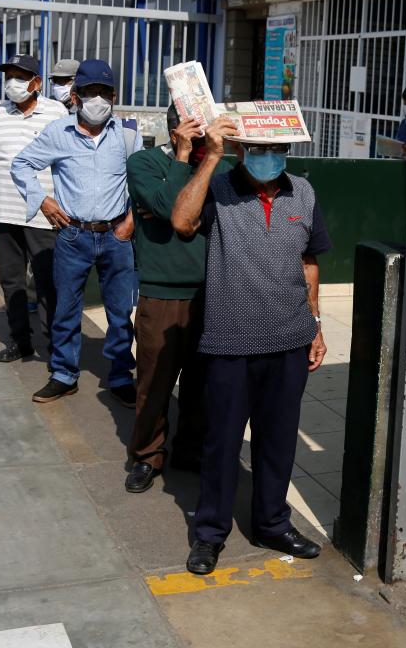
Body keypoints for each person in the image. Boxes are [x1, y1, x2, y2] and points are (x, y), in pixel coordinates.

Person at [171, 118, 332, 576]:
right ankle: (209, 534)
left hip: (290, 341)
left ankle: (271, 523)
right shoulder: (217, 189)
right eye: (258, 146)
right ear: (242, 148)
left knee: (277, 441)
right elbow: (182, 221)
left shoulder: (303, 192)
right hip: (229, 341)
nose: (268, 153)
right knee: (221, 443)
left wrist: (316, 325)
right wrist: (211, 156)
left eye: (276, 146)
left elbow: (309, 262)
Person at [11, 58, 141, 406]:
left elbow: (140, 181)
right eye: (88, 92)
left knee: (119, 311)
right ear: (77, 96)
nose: (96, 99)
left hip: (116, 236)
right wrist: (42, 201)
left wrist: (130, 222)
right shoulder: (58, 133)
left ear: (113, 95)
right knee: (66, 309)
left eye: (103, 92)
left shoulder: (127, 133)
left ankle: (119, 375)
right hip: (73, 236)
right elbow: (21, 164)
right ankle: (64, 374)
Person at [123, 106, 210, 494]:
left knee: (202, 384)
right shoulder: (144, 161)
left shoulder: (218, 168)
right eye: (190, 125)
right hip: (162, 293)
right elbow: (164, 208)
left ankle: (190, 450)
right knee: (155, 380)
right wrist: (180, 159)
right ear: (174, 127)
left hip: (211, 292)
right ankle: (146, 454)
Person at [0, 54, 69, 363]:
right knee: (11, 281)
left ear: (36, 82)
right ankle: (20, 340)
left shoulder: (56, 112)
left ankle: (56, 346)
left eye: (21, 76)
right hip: (5, 212)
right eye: (10, 76)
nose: (13, 83)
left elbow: (66, 162)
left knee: (48, 283)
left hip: (44, 214)